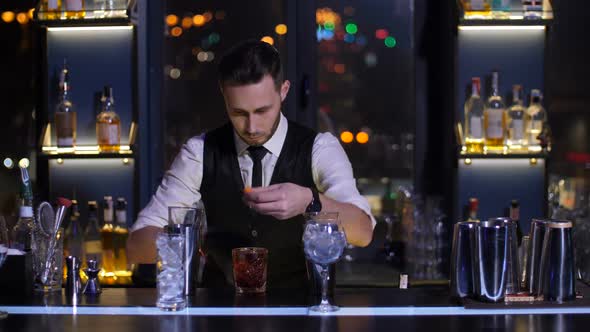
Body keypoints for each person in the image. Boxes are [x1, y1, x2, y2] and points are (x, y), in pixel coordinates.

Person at [127, 40, 374, 288]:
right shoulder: (199, 152)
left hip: (299, 310)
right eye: (239, 113)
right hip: (218, 313)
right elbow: (137, 246)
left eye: (262, 111)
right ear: (223, 95)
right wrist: (189, 239)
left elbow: (363, 232)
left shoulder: (320, 148)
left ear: (284, 91)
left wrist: (310, 202)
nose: (252, 127)